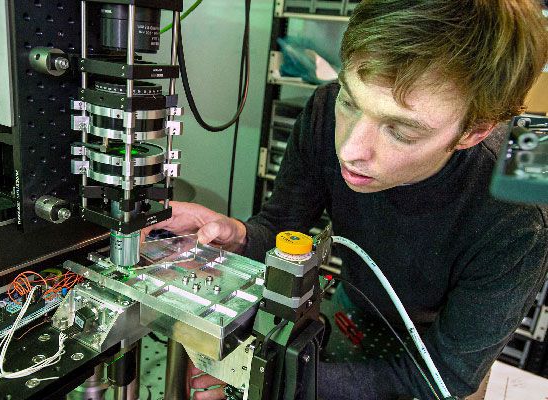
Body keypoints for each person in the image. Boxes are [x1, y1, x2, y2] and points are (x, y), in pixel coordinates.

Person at [144, 1, 548, 399]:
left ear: (473, 132)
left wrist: (277, 381)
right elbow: (282, 225)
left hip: (440, 348)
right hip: (356, 302)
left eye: (401, 132)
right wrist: (240, 235)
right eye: (351, 102)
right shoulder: (323, 108)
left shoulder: (522, 205)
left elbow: (448, 375)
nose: (351, 150)